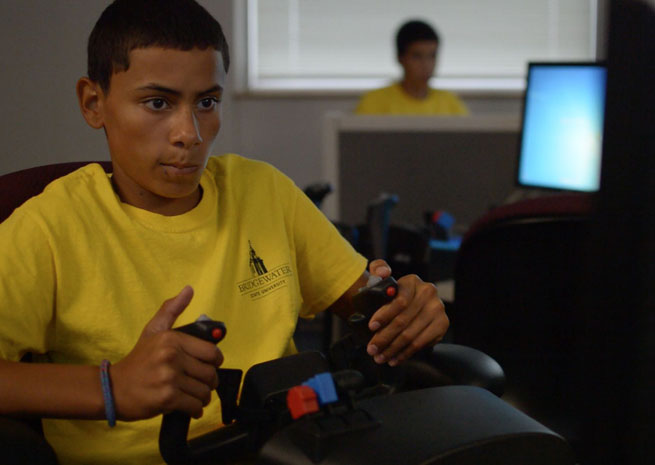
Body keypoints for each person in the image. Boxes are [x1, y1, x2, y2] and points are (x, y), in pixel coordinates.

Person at [0, 1, 449, 464]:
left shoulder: (263, 190)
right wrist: (111, 387)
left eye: (207, 103)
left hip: (291, 446)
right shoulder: (49, 227)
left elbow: (370, 299)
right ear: (94, 103)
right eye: (158, 103)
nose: (189, 134)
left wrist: (408, 308)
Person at [355, 20, 468, 115]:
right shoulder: (374, 102)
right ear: (400, 58)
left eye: (432, 56)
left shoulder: (450, 103)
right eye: (417, 56)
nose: (426, 64)